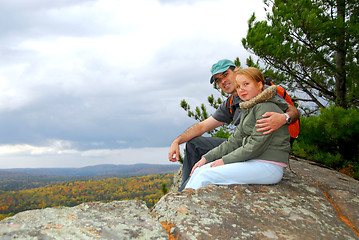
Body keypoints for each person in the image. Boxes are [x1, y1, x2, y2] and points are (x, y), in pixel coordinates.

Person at [168, 59, 299, 191]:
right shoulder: (240, 103)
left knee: (205, 174)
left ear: (236, 71)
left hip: (265, 156)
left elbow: (293, 111)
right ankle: (184, 192)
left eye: (225, 74)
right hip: (247, 149)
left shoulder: (266, 96)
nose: (222, 81)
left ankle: (186, 200)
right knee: (195, 149)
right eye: (218, 80)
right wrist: (178, 141)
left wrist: (284, 118)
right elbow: (204, 127)